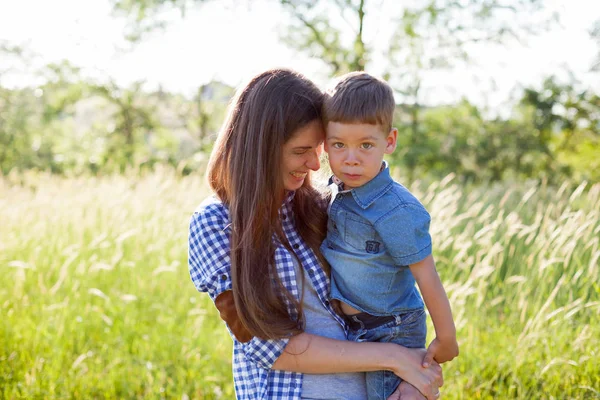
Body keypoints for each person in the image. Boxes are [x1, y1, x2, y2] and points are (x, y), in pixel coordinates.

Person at [188, 68, 443, 400]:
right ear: (261, 147)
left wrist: (414, 376)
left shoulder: (324, 207)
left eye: (318, 149)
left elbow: (391, 298)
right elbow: (270, 349)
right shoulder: (215, 223)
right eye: (300, 151)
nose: (313, 164)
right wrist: (395, 359)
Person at [319, 71, 459, 400]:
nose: (351, 158)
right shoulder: (334, 191)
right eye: (339, 145)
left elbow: (427, 276)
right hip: (355, 329)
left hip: (390, 329)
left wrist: (446, 337)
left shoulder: (395, 210)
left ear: (390, 141)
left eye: (366, 145)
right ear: (325, 144)